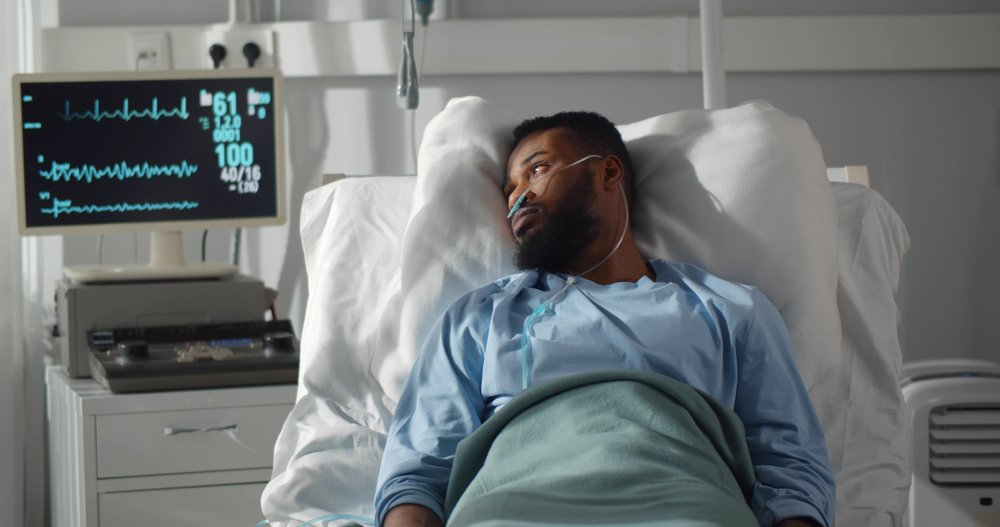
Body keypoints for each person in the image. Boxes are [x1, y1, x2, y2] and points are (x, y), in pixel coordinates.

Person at [374, 111, 835, 527]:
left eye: (537, 170)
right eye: (509, 188)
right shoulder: (479, 319)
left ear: (607, 171)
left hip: (688, 507)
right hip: (510, 508)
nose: (518, 197)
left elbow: (791, 468)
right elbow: (416, 472)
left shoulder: (731, 310)